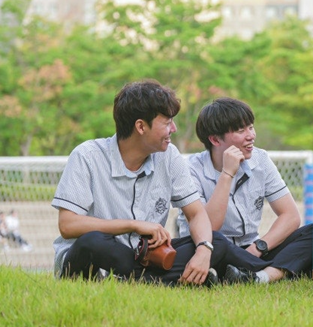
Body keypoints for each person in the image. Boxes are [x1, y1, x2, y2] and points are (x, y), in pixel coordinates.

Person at [52, 80, 249, 285]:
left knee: (215, 241)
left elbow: (197, 213)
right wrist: (133, 225)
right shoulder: (87, 156)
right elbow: (68, 225)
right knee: (91, 243)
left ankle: (138, 281)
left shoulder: (169, 155)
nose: (173, 128)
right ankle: (168, 281)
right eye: (167, 122)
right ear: (140, 126)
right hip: (97, 256)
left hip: (147, 259)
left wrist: (204, 250)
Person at [178, 97, 312, 284]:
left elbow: (290, 216)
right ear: (215, 139)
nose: (251, 136)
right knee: (215, 241)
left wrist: (259, 247)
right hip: (211, 249)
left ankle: (259, 276)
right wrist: (227, 174)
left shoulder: (260, 159)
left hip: (252, 250)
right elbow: (209, 228)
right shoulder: (190, 169)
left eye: (250, 127)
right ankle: (276, 270)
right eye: (241, 131)